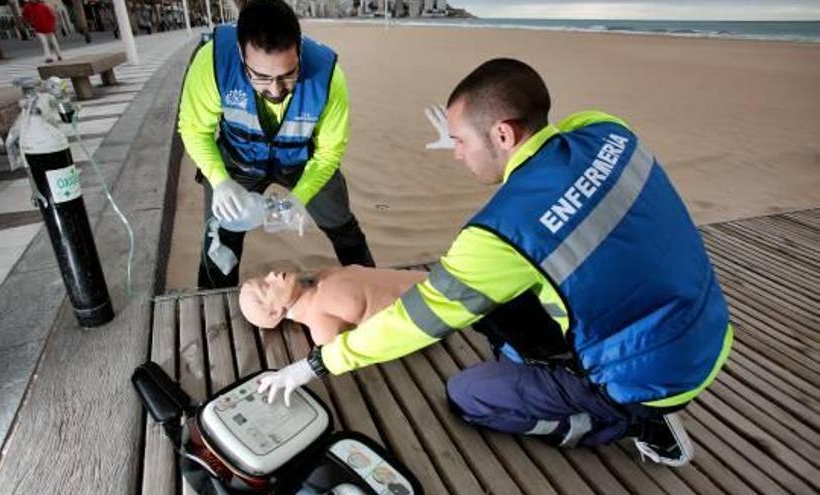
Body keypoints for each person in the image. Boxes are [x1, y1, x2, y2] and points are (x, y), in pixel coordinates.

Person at [257, 58, 734, 467]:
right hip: (707, 324)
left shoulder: (501, 233)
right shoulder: (605, 128)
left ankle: (633, 421)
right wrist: (476, 140)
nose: (457, 153)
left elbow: (416, 320)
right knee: (497, 297)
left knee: (471, 394)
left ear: (504, 133)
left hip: (649, 372)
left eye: (460, 141)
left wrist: (315, 366)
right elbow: (553, 152)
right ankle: (576, 374)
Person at [179, 0, 375, 289]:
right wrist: (220, 182)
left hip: (302, 162)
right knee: (219, 236)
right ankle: (211, 306)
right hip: (238, 159)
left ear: (300, 50)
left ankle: (371, 285)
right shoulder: (211, 63)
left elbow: (329, 151)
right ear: (240, 54)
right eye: (260, 77)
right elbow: (194, 129)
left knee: (342, 226)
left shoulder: (329, 78)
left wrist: (301, 197)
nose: (275, 90)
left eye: (288, 75)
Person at [239, 267, 427, 344]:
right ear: (274, 313)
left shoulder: (324, 274)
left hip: (434, 279)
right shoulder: (322, 327)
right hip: (433, 313)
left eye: (265, 277)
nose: (272, 274)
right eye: (266, 286)